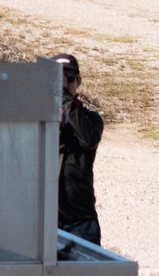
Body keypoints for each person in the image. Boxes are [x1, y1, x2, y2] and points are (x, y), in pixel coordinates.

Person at [53, 52, 104, 250]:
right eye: (58, 78)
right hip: (45, 219)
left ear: (79, 81)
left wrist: (65, 96)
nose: (65, 83)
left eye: (70, 78)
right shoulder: (38, 121)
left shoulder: (90, 119)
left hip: (80, 221)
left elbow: (89, 138)